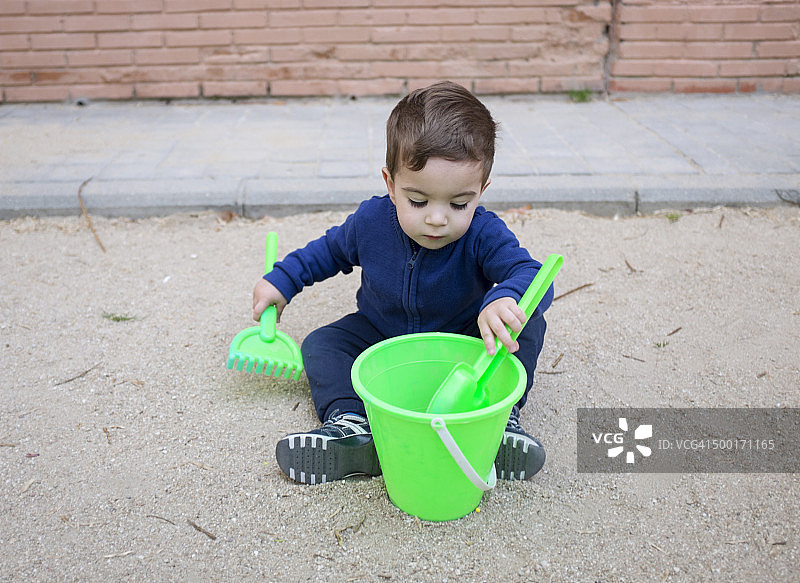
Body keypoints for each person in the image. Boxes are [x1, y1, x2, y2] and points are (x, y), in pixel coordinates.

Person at [252, 81, 553, 485]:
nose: (437, 218)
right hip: (383, 335)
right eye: (418, 200)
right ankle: (353, 425)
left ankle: (498, 423)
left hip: (463, 343)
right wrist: (283, 280)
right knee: (323, 344)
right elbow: (329, 251)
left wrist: (504, 298)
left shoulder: (483, 233)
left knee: (525, 322)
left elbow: (532, 276)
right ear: (390, 184)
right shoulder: (371, 222)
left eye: (459, 203)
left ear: (481, 192)